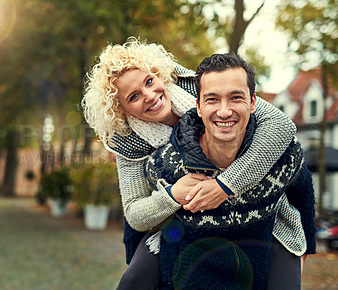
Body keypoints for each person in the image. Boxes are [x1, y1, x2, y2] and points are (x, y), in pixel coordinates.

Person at [82, 38, 306, 289]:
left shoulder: (205, 90)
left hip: (256, 210)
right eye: (134, 96)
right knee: (133, 281)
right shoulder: (128, 143)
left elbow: (282, 126)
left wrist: (225, 185)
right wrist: (172, 195)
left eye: (149, 81)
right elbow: (135, 213)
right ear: (123, 110)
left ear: (158, 74)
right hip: (182, 220)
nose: (150, 95)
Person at [144, 52, 316, 289]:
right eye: (212, 99)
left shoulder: (283, 154)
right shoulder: (167, 164)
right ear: (199, 106)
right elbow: (141, 223)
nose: (224, 111)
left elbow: (303, 194)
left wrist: (306, 251)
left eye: (236, 98)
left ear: (253, 102)